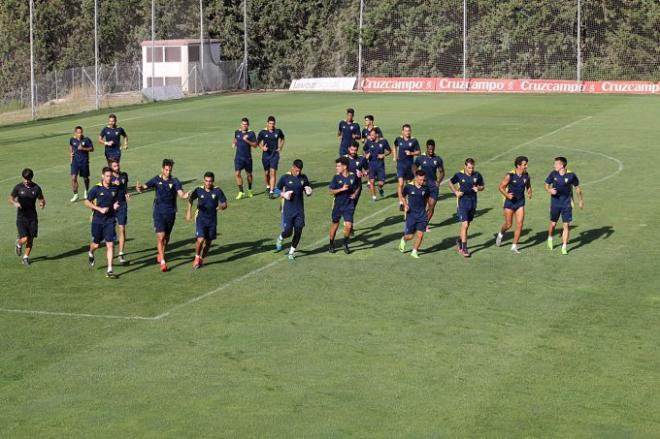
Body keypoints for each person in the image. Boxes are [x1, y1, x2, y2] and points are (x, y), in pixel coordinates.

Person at [136, 159, 189, 272]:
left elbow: (180, 193)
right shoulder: (156, 180)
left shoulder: (175, 181)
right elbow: (145, 186)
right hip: (158, 212)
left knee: (166, 238)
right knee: (160, 236)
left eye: (170, 170)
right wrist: (140, 188)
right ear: (162, 169)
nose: (168, 172)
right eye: (166, 169)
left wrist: (184, 196)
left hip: (171, 213)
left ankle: (161, 254)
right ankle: (163, 262)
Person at [186, 172, 228, 269]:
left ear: (213, 181)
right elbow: (190, 199)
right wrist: (189, 212)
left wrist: (221, 206)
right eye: (206, 181)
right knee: (200, 240)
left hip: (212, 220)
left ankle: (201, 258)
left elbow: (225, 204)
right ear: (204, 181)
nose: (208, 183)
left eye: (210, 181)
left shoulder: (217, 191)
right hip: (200, 218)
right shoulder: (199, 190)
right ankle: (196, 257)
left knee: (208, 243)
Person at [85, 167, 121, 278]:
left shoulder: (115, 188)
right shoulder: (96, 188)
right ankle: (91, 252)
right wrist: (99, 209)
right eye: (107, 176)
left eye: (110, 176)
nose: (109, 178)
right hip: (97, 220)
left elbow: (119, 199)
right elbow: (86, 202)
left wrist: (117, 204)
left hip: (110, 220)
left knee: (110, 244)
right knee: (96, 244)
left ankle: (109, 269)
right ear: (102, 176)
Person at [544, 156, 584, 255]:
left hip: (566, 203)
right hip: (555, 203)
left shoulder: (571, 175)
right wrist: (549, 190)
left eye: (556, 164)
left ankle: (564, 246)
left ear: (562, 165)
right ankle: (550, 238)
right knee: (553, 224)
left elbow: (577, 188)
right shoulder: (553, 174)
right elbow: (546, 184)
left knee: (566, 225)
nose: (554, 165)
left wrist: (580, 201)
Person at [275, 159, 313, 260]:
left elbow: (307, 189)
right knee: (288, 232)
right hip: (288, 210)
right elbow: (275, 189)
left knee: (298, 230)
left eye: (300, 170)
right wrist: (283, 194)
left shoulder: (303, 178)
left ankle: (291, 252)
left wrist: (309, 191)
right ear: (292, 167)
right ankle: (281, 237)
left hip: (299, 210)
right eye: (296, 170)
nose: (298, 172)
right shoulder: (285, 178)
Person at [448, 158, 485, 257]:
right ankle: (464, 248)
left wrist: (478, 188)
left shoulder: (477, 175)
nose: (471, 170)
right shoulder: (459, 175)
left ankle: (459, 240)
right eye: (469, 168)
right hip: (462, 203)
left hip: (473, 203)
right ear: (465, 166)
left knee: (467, 225)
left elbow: (482, 186)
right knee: (464, 225)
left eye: (472, 168)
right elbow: (450, 182)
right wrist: (456, 192)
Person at [8, 168, 45, 266]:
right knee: (24, 238)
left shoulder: (36, 188)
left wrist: (42, 203)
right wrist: (15, 203)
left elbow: (41, 199)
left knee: (30, 239)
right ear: (22, 177)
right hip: (21, 218)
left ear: (31, 178)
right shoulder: (18, 187)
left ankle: (25, 257)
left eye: (28, 180)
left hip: (32, 218)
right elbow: (10, 199)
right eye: (25, 179)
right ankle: (19, 243)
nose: (26, 182)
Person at [496, 156, 532, 253]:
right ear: (518, 165)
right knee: (508, 224)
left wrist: (529, 192)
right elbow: (500, 187)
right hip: (510, 203)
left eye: (526, 164)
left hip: (520, 203)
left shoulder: (526, 175)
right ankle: (500, 234)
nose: (526, 166)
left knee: (519, 224)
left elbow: (528, 185)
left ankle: (514, 246)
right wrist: (507, 195)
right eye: (524, 165)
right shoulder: (510, 176)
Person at [328, 157, 359, 254]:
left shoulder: (353, 176)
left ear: (345, 167)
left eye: (338, 166)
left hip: (349, 205)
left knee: (349, 226)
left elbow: (358, 185)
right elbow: (330, 191)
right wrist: (341, 189)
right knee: (335, 225)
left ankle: (345, 243)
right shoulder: (336, 178)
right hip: (338, 206)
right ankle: (331, 244)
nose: (336, 168)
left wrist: (355, 194)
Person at [413, 139, 445, 230]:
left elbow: (442, 172)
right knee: (422, 205)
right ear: (426, 148)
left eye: (432, 149)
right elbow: (414, 166)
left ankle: (424, 224)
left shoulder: (437, 159)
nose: (431, 151)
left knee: (431, 205)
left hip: (433, 186)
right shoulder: (421, 158)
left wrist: (438, 181)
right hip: (424, 185)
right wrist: (417, 177)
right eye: (429, 149)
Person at [398, 170, 429, 258]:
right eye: (420, 180)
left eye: (423, 180)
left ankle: (414, 251)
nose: (422, 182)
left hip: (422, 215)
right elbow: (402, 195)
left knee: (420, 234)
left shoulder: (426, 188)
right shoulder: (408, 187)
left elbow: (426, 199)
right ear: (416, 178)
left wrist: (425, 211)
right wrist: (405, 205)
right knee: (410, 236)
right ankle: (403, 240)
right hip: (411, 215)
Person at [393, 124, 421, 211]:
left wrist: (411, 153)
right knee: (401, 183)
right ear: (402, 131)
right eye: (406, 131)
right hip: (400, 165)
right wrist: (395, 155)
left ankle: (408, 200)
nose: (407, 132)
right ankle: (401, 202)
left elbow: (419, 152)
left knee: (409, 184)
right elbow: (394, 146)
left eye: (409, 131)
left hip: (410, 166)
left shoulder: (414, 141)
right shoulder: (398, 139)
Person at [257, 115, 285, 198]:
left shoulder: (278, 131)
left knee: (273, 172)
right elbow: (258, 141)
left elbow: (282, 138)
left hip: (275, 155)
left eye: (273, 123)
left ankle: (272, 191)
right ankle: (268, 186)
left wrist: (280, 147)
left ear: (275, 123)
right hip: (265, 156)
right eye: (270, 123)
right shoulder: (262, 132)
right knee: (267, 173)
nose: (272, 125)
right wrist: (262, 147)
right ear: (267, 123)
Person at [109, 159, 130, 264]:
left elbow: (125, 187)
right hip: (111, 206)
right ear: (111, 168)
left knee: (122, 228)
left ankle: (121, 253)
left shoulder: (124, 175)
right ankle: (110, 251)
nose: (117, 167)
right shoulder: (108, 178)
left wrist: (126, 193)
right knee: (110, 231)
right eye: (115, 166)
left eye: (118, 165)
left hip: (122, 205)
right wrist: (112, 182)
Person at [363, 128, 391, 201]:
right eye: (370, 135)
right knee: (372, 181)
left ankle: (380, 188)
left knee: (381, 183)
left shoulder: (384, 142)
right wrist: (366, 155)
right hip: (371, 165)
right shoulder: (369, 142)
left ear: (377, 135)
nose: (371, 136)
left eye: (372, 135)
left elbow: (389, 151)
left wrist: (383, 155)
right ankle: (374, 197)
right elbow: (364, 150)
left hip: (380, 165)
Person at [233, 117, 257, 199]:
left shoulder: (251, 134)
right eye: (243, 124)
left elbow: (255, 145)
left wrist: (247, 140)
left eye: (246, 124)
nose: (244, 126)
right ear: (241, 124)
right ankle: (241, 191)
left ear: (248, 125)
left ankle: (250, 189)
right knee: (237, 174)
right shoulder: (237, 132)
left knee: (249, 175)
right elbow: (236, 138)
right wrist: (234, 143)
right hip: (238, 158)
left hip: (247, 158)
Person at [69, 125, 94, 202]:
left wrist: (83, 148)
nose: (80, 134)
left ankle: (86, 191)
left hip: (84, 162)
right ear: (75, 133)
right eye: (78, 133)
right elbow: (70, 146)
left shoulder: (86, 140)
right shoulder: (72, 139)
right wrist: (71, 154)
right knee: (73, 178)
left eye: (81, 132)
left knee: (85, 178)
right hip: (75, 162)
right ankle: (75, 194)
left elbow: (92, 149)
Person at [344, 140, 369, 211]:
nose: (353, 152)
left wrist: (363, 173)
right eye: (352, 150)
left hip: (356, 188)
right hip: (345, 186)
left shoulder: (361, 159)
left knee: (351, 208)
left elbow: (368, 169)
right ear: (349, 149)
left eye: (355, 150)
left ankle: (347, 221)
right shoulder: (344, 159)